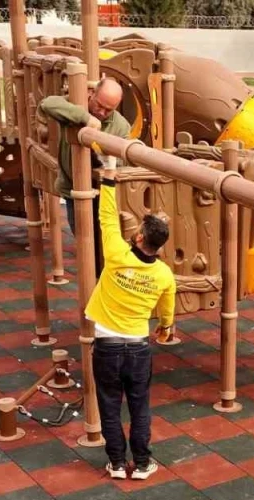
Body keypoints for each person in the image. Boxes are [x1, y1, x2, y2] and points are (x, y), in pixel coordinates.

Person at [85, 155, 176, 480]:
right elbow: (167, 312)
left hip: (106, 346)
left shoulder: (116, 253)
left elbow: (107, 217)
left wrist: (109, 177)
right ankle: (143, 462)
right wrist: (164, 329)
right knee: (139, 406)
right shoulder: (164, 275)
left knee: (109, 405)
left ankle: (116, 463)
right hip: (138, 348)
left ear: (139, 238)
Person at [38, 77, 132, 274]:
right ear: (92, 94)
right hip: (74, 188)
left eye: (109, 110)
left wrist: (107, 159)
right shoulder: (76, 106)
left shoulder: (121, 126)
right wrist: (84, 117)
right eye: (100, 106)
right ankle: (93, 278)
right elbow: (48, 104)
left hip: (103, 192)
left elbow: (123, 164)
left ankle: (100, 278)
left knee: (104, 243)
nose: (102, 113)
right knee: (82, 238)